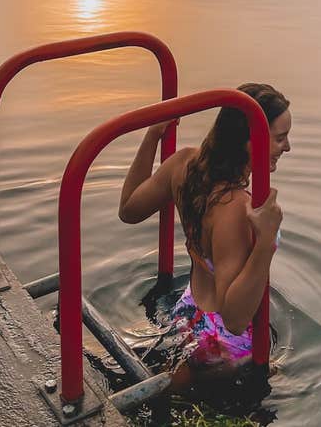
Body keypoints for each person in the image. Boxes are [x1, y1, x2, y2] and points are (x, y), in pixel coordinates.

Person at [119, 83, 292, 371]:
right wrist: (265, 242)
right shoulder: (237, 207)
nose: (287, 147)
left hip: (186, 313)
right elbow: (235, 320)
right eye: (280, 138)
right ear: (250, 141)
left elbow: (128, 210)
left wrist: (153, 135)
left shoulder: (183, 163)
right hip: (224, 344)